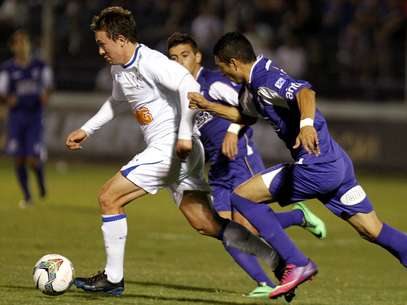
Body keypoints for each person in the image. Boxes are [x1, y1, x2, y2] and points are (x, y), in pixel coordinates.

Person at [66, 7, 285, 296]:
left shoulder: (151, 61)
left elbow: (188, 85)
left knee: (109, 197)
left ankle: (113, 278)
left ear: (120, 39)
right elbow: (115, 101)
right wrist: (87, 129)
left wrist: (183, 134)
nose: (100, 51)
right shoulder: (119, 69)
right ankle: (277, 259)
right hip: (179, 153)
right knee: (206, 223)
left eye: (102, 43)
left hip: (170, 146)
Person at [189, 32, 407, 299]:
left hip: (315, 165)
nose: (222, 74)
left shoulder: (265, 78)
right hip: (336, 164)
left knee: (243, 196)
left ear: (233, 63)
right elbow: (244, 116)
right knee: (373, 230)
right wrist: (209, 106)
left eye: (222, 67)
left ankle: (297, 263)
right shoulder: (252, 89)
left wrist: (305, 126)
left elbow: (305, 93)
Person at [167, 32, 326, 299]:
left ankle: (298, 218)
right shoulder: (180, 93)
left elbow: (245, 109)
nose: (179, 62)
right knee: (227, 230)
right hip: (217, 167)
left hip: (239, 158)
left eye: (184, 55)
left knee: (247, 225)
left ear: (197, 57)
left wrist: (231, 131)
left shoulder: (213, 81)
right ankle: (265, 281)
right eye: (173, 58)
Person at [0, 30, 52, 208]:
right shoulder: (8, 68)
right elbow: (3, 92)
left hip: (34, 118)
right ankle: (27, 196)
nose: (22, 46)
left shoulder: (40, 66)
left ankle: (41, 182)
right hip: (16, 118)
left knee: (32, 158)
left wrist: (46, 95)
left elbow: (49, 86)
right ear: (13, 46)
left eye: (24, 42)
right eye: (18, 43)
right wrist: (8, 100)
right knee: (19, 158)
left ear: (29, 45)